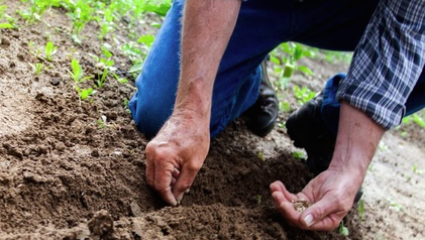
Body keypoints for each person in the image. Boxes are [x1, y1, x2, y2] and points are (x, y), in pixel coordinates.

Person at [128, 0, 425, 231]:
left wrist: (349, 166)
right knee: (161, 112)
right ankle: (245, 74)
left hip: (351, 11)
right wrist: (191, 111)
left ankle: (330, 124)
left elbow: (403, 29)